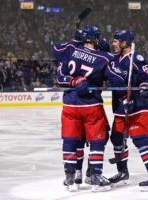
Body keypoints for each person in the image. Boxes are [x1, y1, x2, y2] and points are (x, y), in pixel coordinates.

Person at [53, 25, 115, 192]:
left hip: (70, 105)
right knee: (97, 141)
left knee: (71, 141)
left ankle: (70, 176)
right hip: (91, 105)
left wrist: (74, 81)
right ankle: (95, 175)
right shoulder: (104, 57)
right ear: (95, 39)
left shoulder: (70, 49)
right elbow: (115, 78)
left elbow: (60, 78)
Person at [106, 30, 148, 191]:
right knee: (117, 139)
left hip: (138, 106)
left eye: (116, 41)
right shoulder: (115, 59)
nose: (114, 43)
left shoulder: (136, 58)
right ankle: (123, 173)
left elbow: (147, 77)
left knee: (141, 141)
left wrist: (145, 87)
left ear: (125, 43)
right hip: (120, 107)